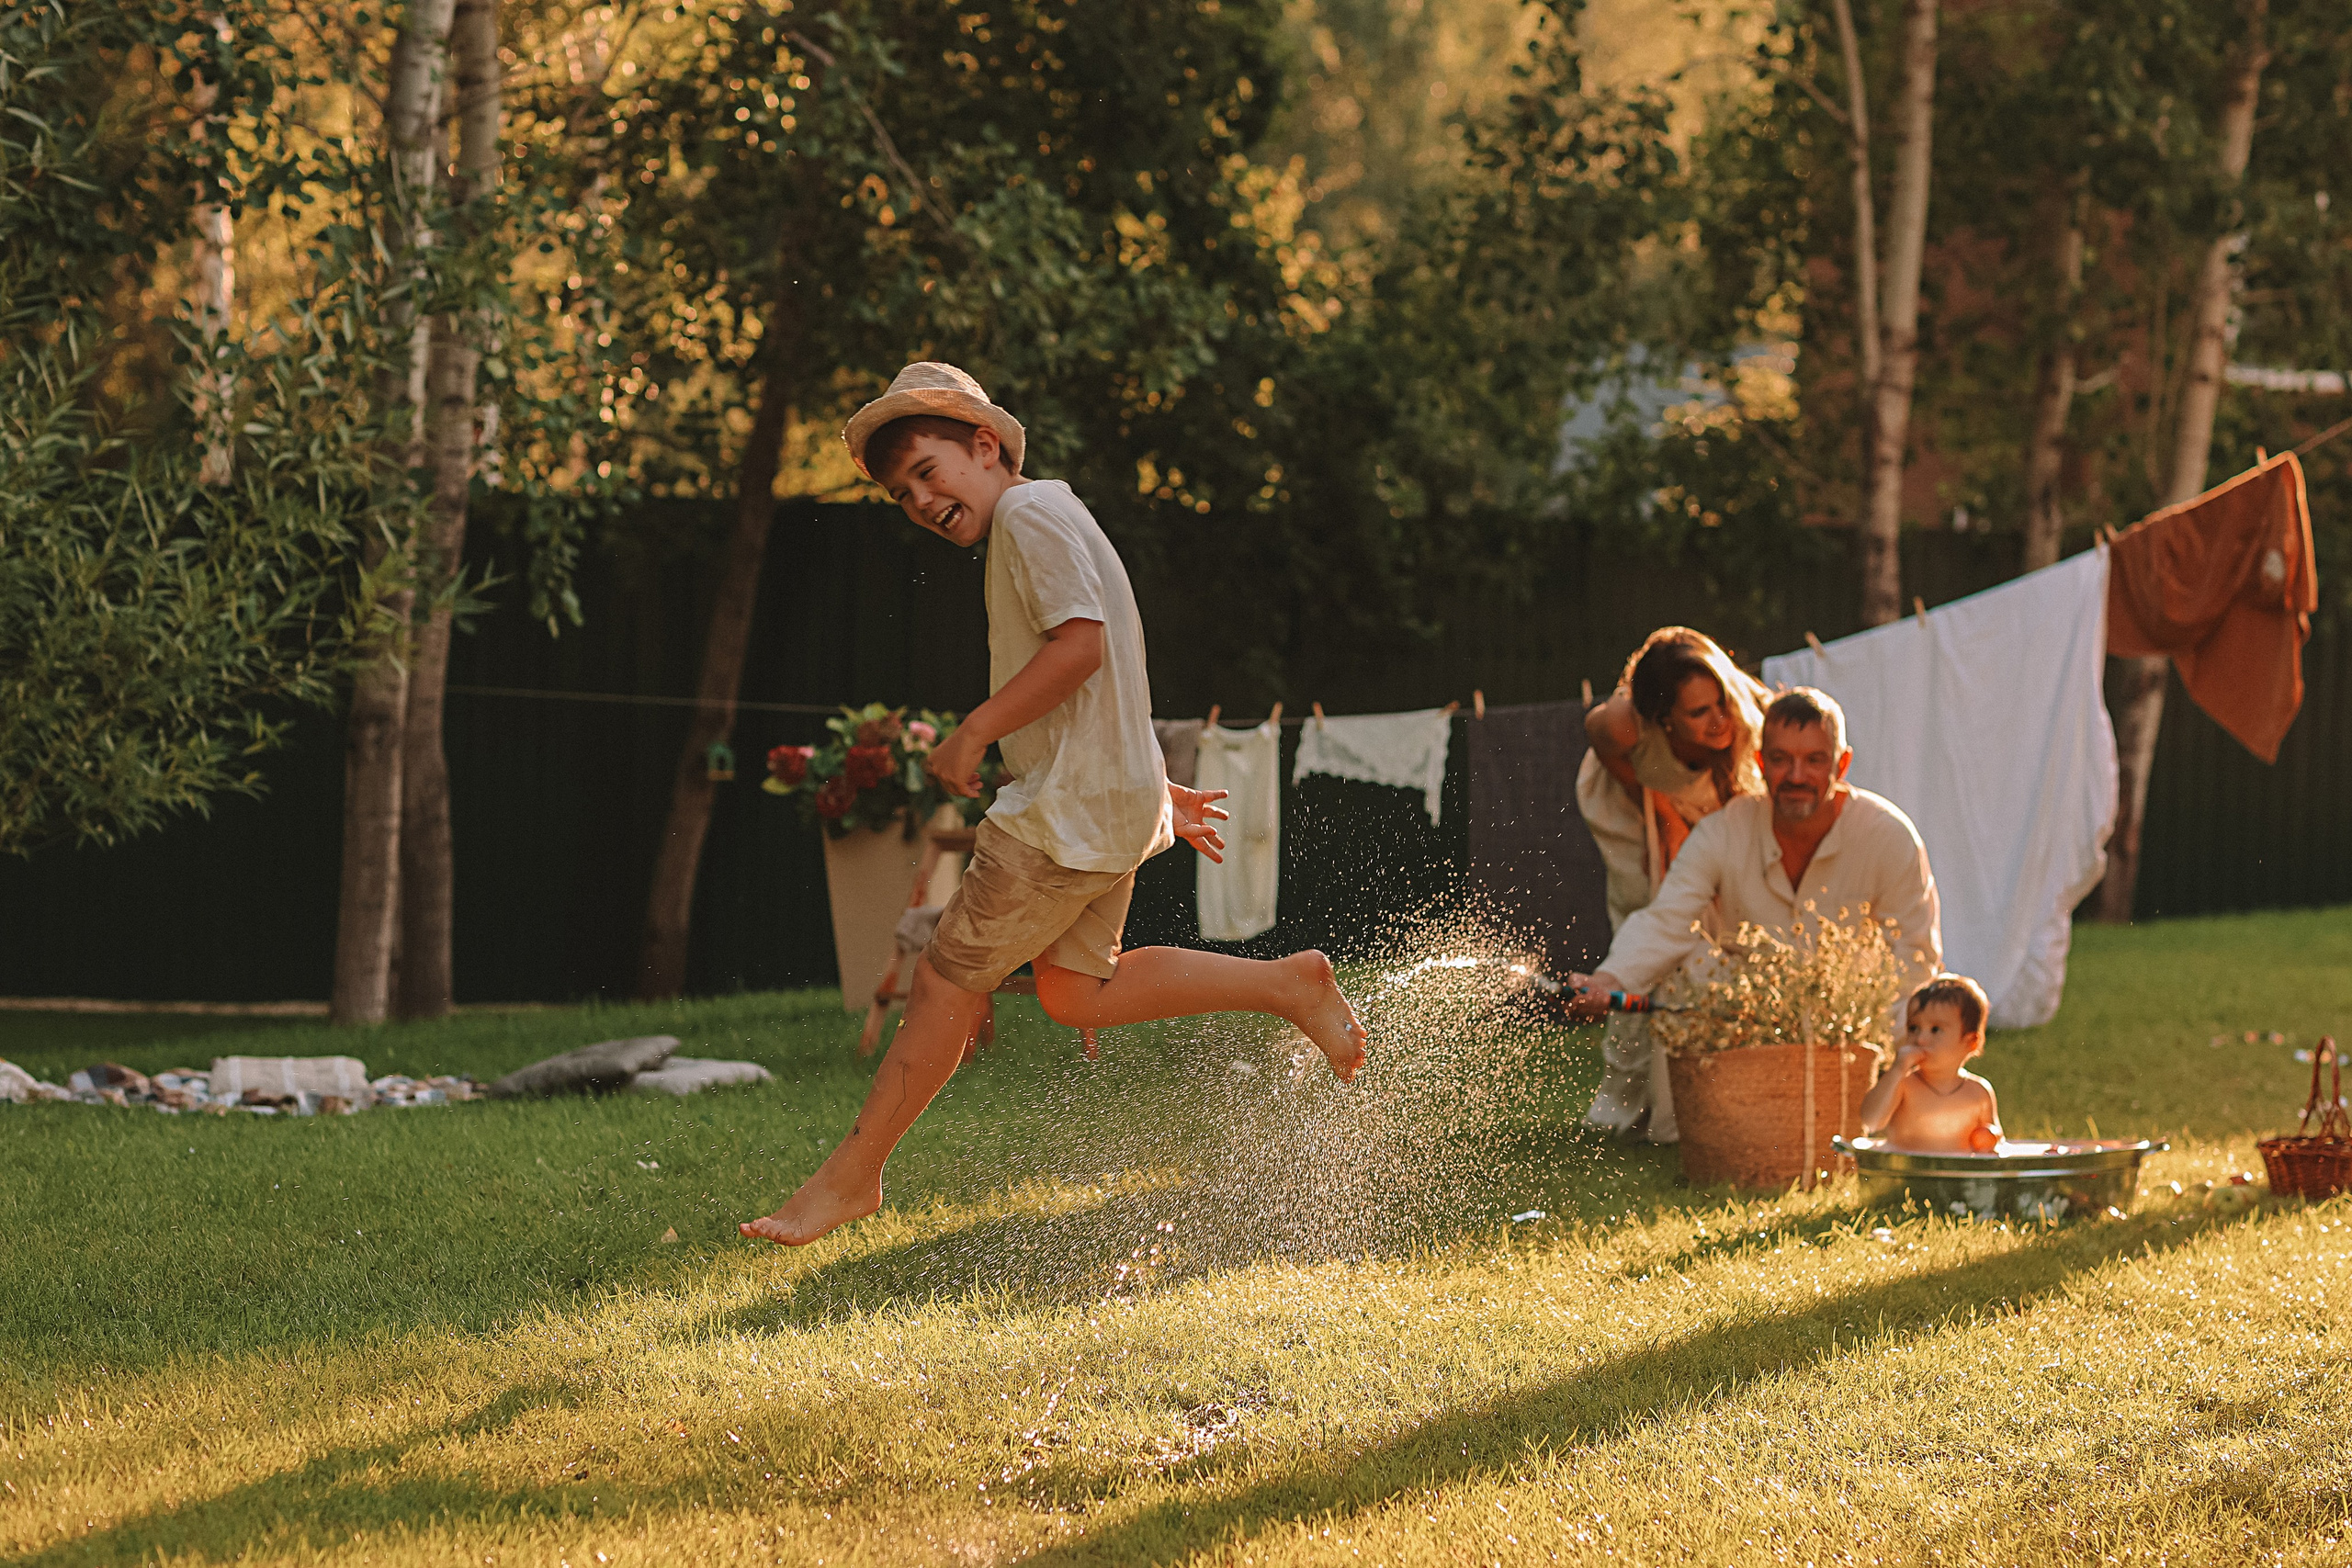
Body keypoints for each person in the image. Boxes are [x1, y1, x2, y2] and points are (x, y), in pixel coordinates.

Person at [741, 363, 1371, 1247]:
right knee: (1076, 991)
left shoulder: (1030, 517)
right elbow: (1111, 672)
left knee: (943, 979)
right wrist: (1149, 786)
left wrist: (973, 733)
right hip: (1098, 799)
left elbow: (1081, 649)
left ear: (987, 445)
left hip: (1061, 812)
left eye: (928, 470)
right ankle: (1285, 981)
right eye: (901, 492)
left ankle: (852, 1177)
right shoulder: (1053, 513)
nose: (918, 498)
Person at [1571, 686, 1942, 1032]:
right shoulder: (1725, 830)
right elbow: (1667, 919)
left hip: (1854, 1032)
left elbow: (1914, 957)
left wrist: (1869, 1042)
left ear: (1841, 765)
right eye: (1781, 759)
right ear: (1762, 763)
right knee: (1684, 967)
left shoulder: (1889, 836)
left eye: (1814, 760)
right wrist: (1608, 981)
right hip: (1743, 1026)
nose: (1797, 776)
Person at [1575, 627, 1770, 1143]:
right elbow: (1598, 738)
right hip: (1632, 807)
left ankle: (1712, 1079)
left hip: (1706, 811)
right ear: (1663, 720)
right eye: (1699, 713)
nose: (1719, 718)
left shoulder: (1750, 721)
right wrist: (1654, 808)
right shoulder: (1624, 722)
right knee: (1646, 930)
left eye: (1721, 702)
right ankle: (1624, 1096)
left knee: (1716, 928)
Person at [1859, 974, 2001, 1154]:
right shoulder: (1904, 1084)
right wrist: (1897, 1070)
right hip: (1907, 1173)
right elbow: (1871, 1121)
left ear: (1970, 1042)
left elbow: (1996, 1142)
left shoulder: (1978, 1093)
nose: (1921, 1039)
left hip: (1959, 1177)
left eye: (1935, 1030)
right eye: (1913, 1028)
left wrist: (1989, 1138)